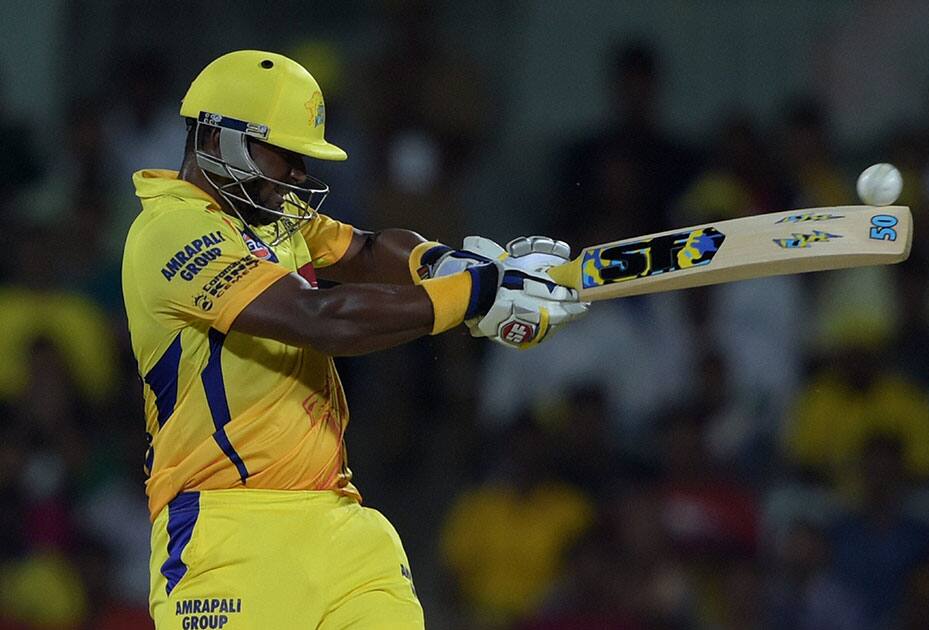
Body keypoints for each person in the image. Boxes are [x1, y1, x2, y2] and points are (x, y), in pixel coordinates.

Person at [120, 50, 587, 630]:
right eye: (286, 155)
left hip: (342, 527)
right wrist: (475, 297)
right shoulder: (169, 232)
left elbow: (365, 249)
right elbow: (318, 318)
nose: (296, 175)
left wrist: (447, 264)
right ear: (217, 140)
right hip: (226, 536)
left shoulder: (271, 215)